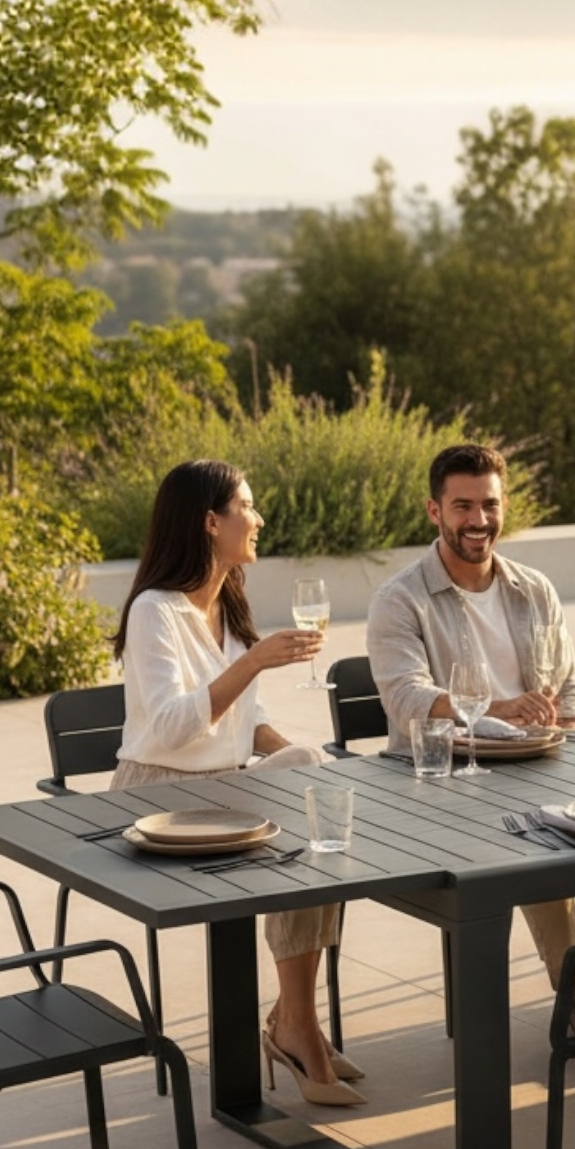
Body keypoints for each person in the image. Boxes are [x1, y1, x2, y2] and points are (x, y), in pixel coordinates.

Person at [368, 442, 575, 1035]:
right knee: (535, 836)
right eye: (462, 506)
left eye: (489, 505)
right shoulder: (400, 600)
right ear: (434, 511)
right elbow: (406, 700)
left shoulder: (534, 589)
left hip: (546, 761)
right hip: (454, 780)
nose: (478, 520)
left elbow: (571, 683)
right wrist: (498, 710)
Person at [111, 460, 359, 1106]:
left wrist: (298, 754)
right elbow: (171, 728)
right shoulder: (154, 611)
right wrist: (253, 663)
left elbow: (249, 723)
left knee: (317, 796)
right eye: (247, 506)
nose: (259, 518)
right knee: (306, 814)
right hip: (156, 794)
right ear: (209, 522)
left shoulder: (228, 603)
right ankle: (296, 1026)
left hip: (220, 788)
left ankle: (294, 1019)